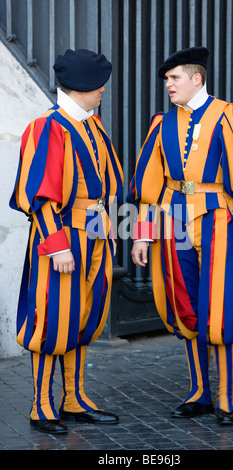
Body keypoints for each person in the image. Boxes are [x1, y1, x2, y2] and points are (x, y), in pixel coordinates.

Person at [127, 47, 233, 425]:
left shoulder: (230, 114)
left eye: (174, 78)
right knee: (186, 308)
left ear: (197, 78)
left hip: (221, 221)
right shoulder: (161, 124)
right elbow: (148, 188)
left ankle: (226, 397)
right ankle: (199, 393)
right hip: (173, 222)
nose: (168, 85)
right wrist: (141, 235)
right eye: (166, 80)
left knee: (221, 311)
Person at [10, 49, 123, 434]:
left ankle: (73, 399)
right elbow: (38, 195)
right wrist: (57, 245)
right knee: (51, 318)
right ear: (82, 87)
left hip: (93, 235)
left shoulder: (92, 125)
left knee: (82, 315)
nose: (103, 91)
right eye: (99, 85)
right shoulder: (48, 127)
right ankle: (41, 406)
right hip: (61, 237)